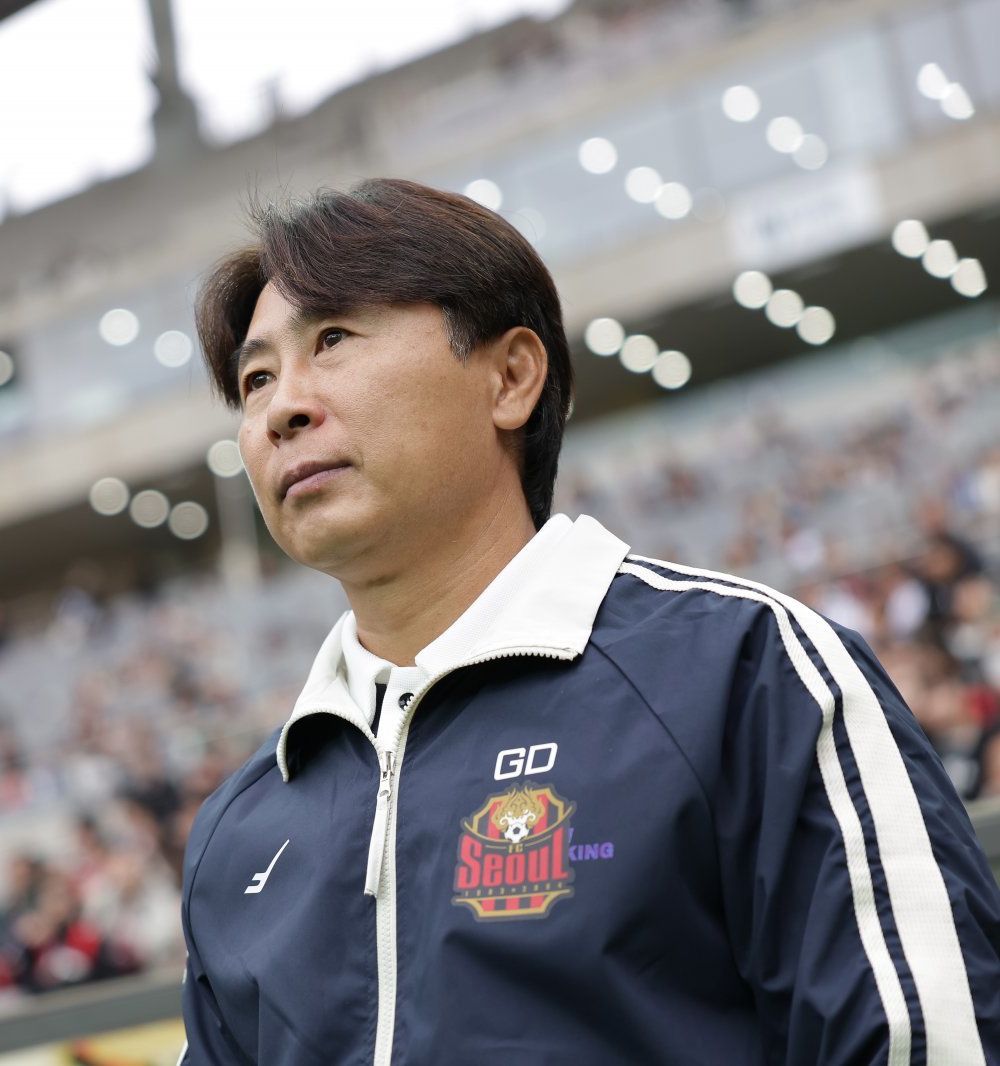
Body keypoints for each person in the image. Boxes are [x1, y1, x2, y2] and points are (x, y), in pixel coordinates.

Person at [177, 178, 1000, 1064]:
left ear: (511, 378)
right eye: (256, 379)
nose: (282, 409)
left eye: (333, 339)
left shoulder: (746, 673)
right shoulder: (239, 825)